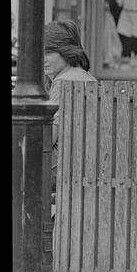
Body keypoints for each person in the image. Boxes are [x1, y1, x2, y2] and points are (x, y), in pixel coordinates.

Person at [44, 20, 97, 191]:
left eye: (49, 52)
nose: (43, 59)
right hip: (85, 165)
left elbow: (47, 140)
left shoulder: (63, 83)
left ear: (66, 51)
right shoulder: (88, 78)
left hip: (62, 170)